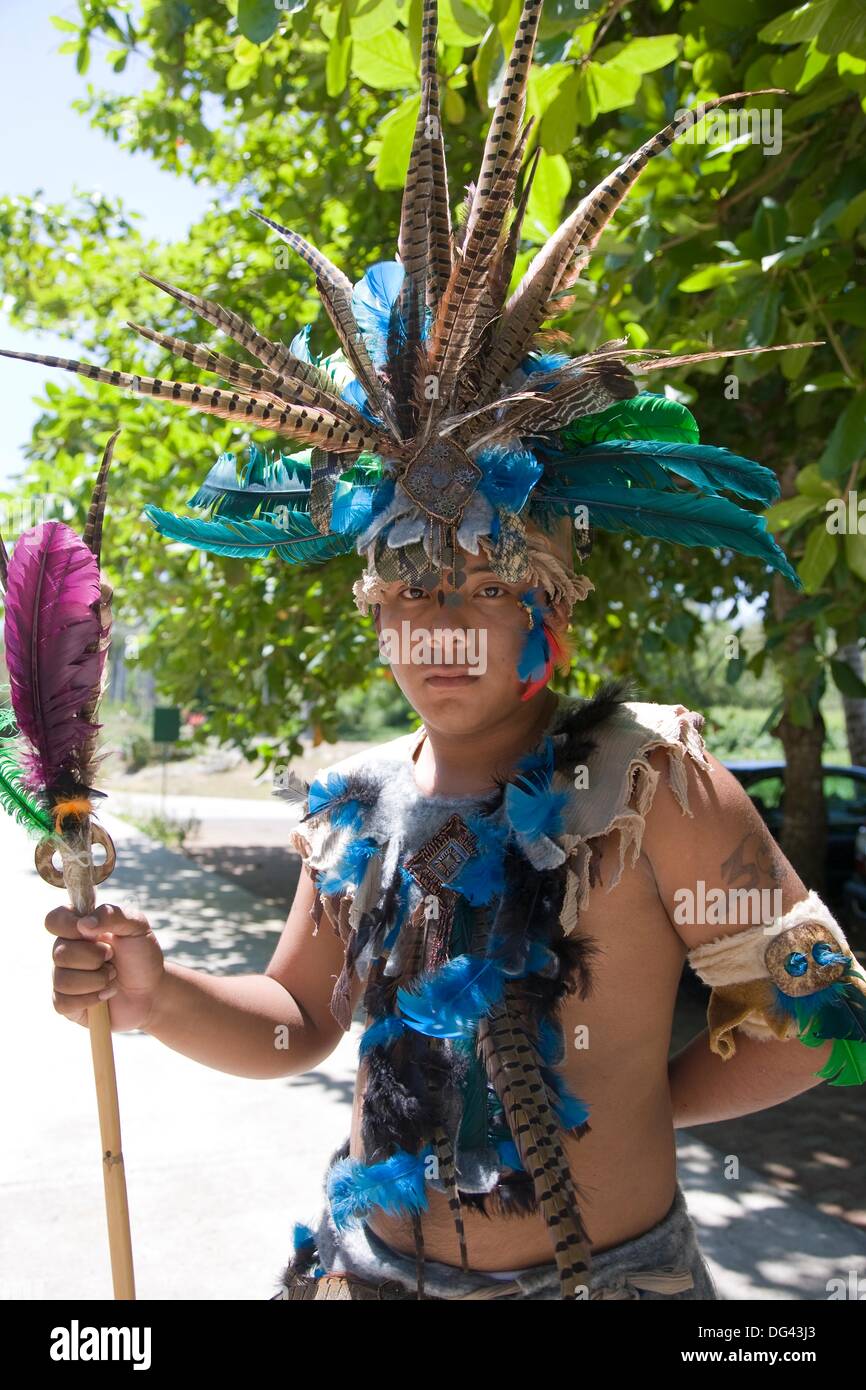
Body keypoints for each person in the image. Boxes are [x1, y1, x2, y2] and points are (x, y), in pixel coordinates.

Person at [25, 0, 866, 1301]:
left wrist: (640, 1097)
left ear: (548, 602)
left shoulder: (654, 782)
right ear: (374, 606)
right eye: (414, 579)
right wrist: (155, 986)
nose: (443, 618)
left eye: (482, 580)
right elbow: (297, 1020)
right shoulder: (349, 802)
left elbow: (825, 1024)